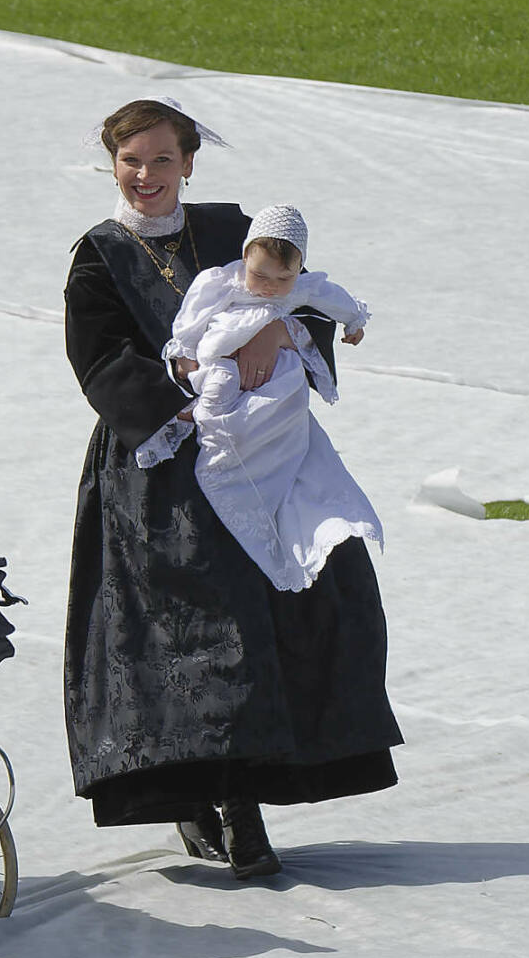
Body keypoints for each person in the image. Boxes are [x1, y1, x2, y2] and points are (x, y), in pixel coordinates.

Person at [62, 98, 403, 879]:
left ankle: (256, 784)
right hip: (159, 464)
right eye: (129, 161)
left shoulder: (229, 230)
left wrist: (281, 331)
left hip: (268, 451)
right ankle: (220, 805)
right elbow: (100, 362)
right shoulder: (98, 257)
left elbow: (302, 290)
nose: (144, 176)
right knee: (202, 630)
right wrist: (183, 384)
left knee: (320, 587)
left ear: (188, 163)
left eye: (159, 160)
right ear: (111, 165)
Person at [159, 203, 382, 592]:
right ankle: (210, 431)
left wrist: (354, 322)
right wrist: (185, 351)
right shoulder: (222, 282)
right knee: (220, 383)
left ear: (298, 270)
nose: (268, 287)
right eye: (260, 274)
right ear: (246, 256)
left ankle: (272, 457)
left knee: (289, 393)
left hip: (277, 366)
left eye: (283, 279)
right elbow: (192, 316)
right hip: (224, 355)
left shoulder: (300, 288)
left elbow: (332, 297)